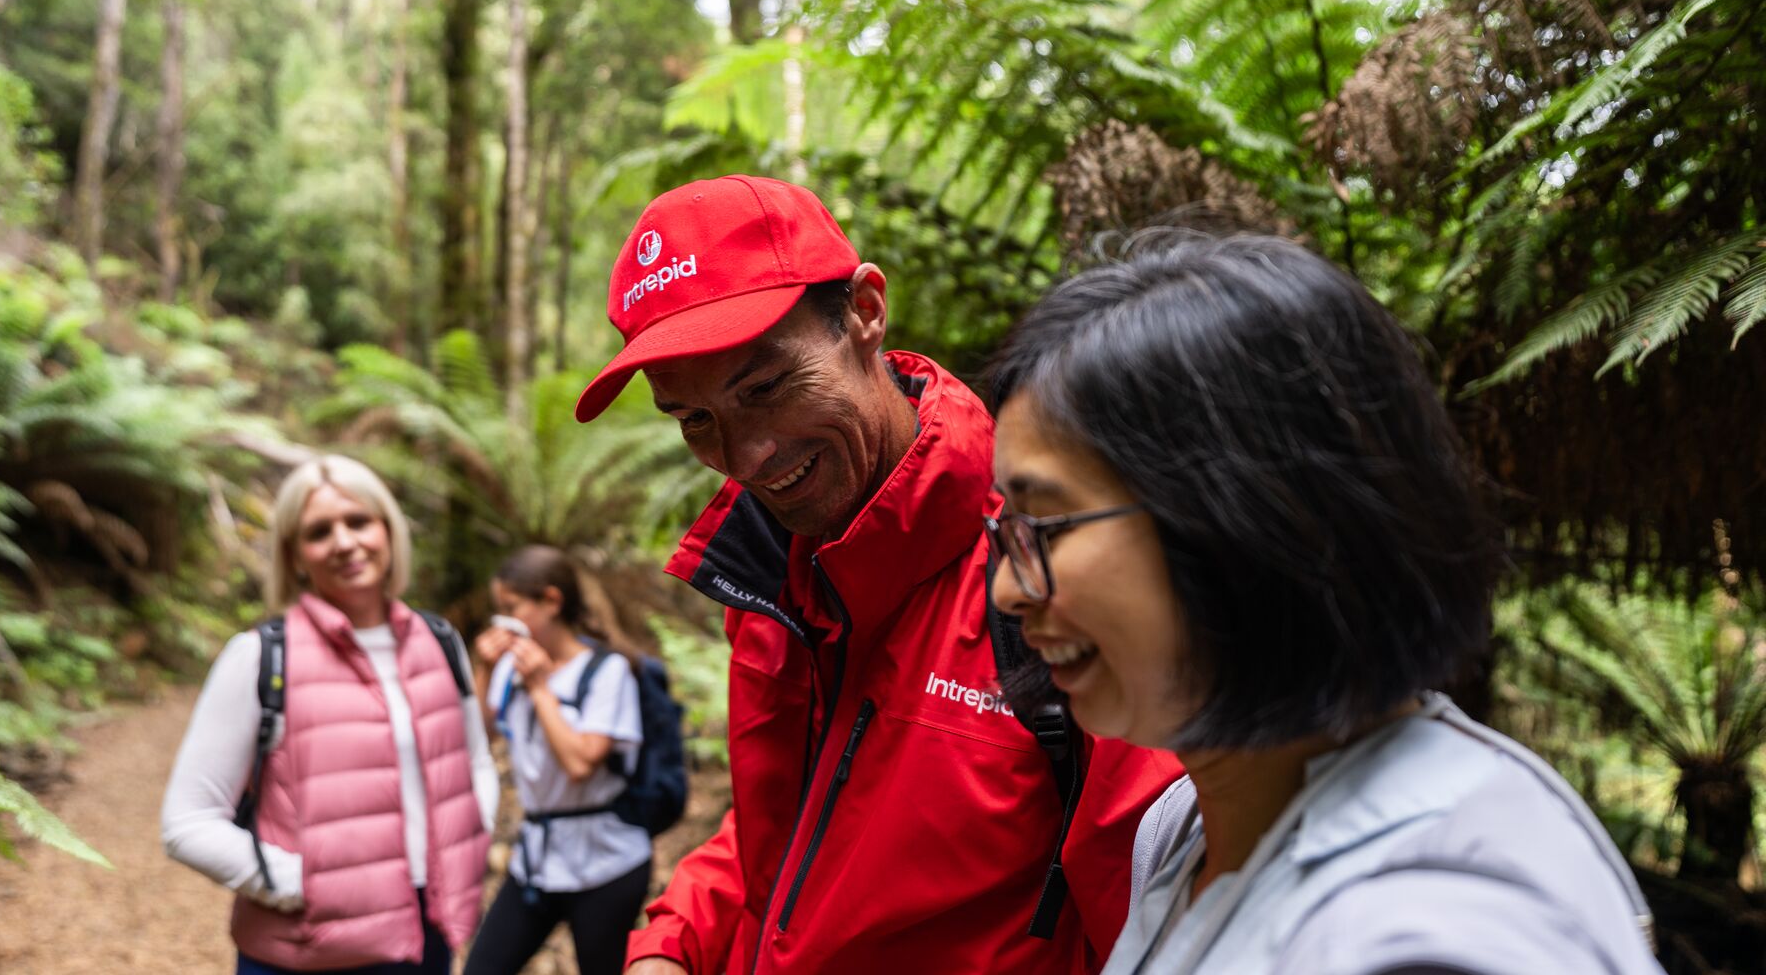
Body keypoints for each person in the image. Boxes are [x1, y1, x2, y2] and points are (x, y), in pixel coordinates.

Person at [982, 231, 1662, 974]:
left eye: (1045, 526)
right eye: (1007, 533)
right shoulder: (1189, 828)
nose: (1007, 590)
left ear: (1252, 520)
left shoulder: (1433, 930)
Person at [573, 174, 1184, 974]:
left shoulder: (1054, 572)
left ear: (864, 311)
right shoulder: (773, 571)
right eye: (696, 420)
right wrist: (674, 943)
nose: (745, 456)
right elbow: (794, 824)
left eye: (765, 387)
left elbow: (1161, 911)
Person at [162, 454, 497, 974]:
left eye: (359, 521)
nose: (344, 542)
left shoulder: (440, 641)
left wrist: (469, 845)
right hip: (303, 954)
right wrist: (305, 887)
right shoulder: (258, 656)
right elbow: (188, 821)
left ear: (387, 529)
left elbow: (474, 762)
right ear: (295, 554)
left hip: (426, 940)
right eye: (320, 531)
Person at [464, 545, 653, 975]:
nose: (504, 622)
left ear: (551, 601)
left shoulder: (608, 672)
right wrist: (485, 669)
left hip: (607, 864)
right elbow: (478, 735)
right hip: (538, 860)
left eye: (511, 609)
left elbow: (581, 762)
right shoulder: (512, 668)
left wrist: (541, 688)